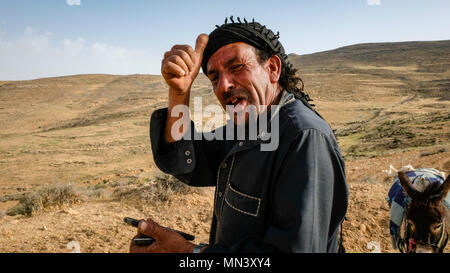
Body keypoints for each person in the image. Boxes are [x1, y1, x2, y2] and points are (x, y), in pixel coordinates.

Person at [129, 17, 348, 253]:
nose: (223, 86)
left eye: (236, 68)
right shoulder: (246, 128)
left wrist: (189, 252)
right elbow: (185, 161)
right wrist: (179, 93)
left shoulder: (304, 138)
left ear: (272, 69)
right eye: (214, 78)